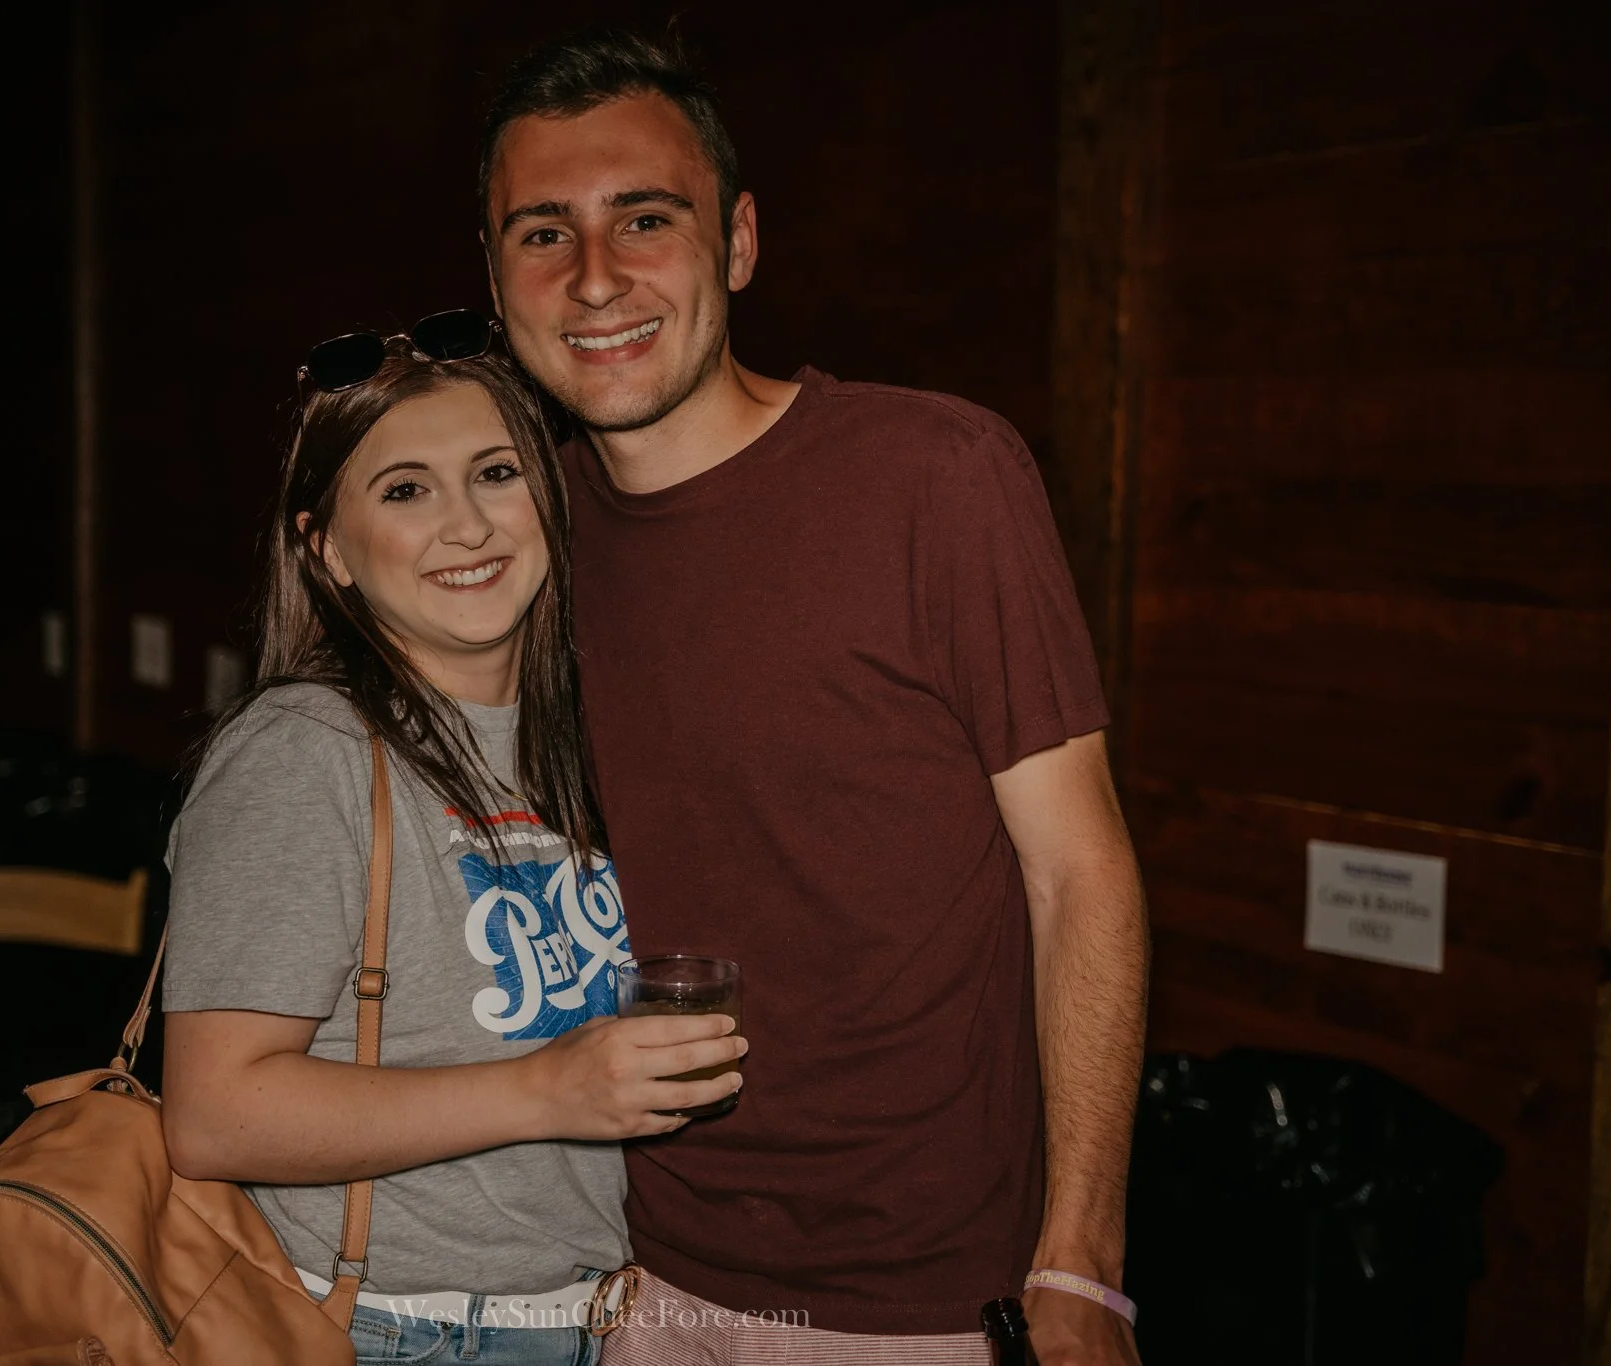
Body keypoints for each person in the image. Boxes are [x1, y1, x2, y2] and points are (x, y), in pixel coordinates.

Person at [476, 30, 1150, 1366]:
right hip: (632, 1275)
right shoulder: (518, 536)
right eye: (544, 233)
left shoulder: (937, 475)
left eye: (644, 218)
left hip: (922, 1297)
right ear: (496, 280)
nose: (597, 275)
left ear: (737, 243)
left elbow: (1081, 873)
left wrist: (1086, 1258)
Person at [157, 325, 750, 1366]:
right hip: (399, 1331)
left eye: (494, 473)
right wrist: (544, 1089)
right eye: (403, 491)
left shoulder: (581, 735)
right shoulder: (306, 750)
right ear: (328, 548)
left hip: (595, 1318)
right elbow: (215, 1113)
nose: (466, 524)